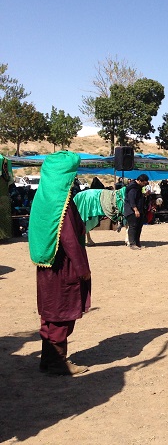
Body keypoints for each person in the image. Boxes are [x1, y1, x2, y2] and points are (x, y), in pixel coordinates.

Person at [28, 151, 91, 375]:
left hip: (46, 267)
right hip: (62, 267)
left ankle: (48, 360)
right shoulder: (62, 204)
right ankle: (58, 362)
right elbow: (70, 239)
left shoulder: (42, 198)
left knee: (50, 314)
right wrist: (83, 269)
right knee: (61, 314)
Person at [124, 174, 150, 250]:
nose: (144, 185)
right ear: (139, 181)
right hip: (132, 211)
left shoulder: (138, 187)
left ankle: (137, 243)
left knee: (139, 227)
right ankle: (132, 244)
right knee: (133, 227)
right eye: (144, 183)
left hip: (139, 210)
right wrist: (135, 210)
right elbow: (131, 200)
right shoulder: (132, 188)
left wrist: (144, 195)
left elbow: (138, 197)